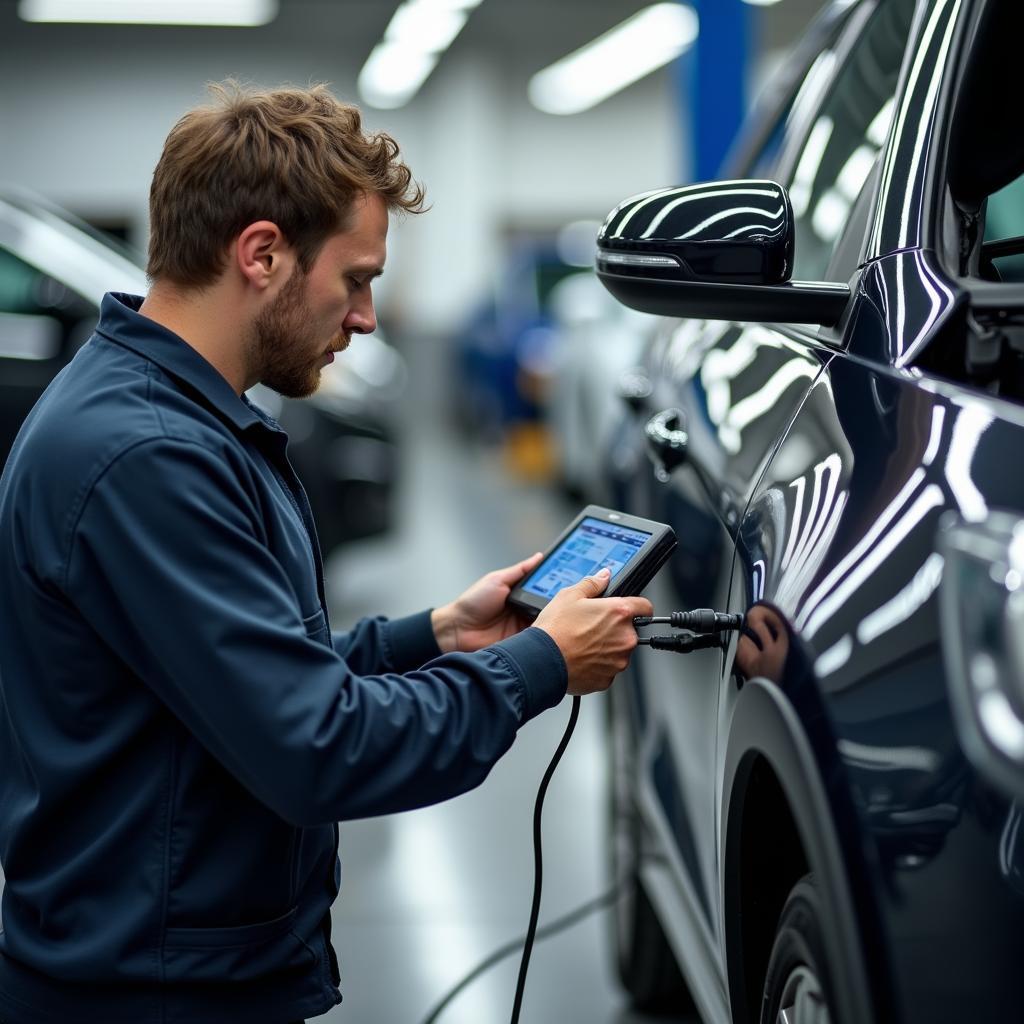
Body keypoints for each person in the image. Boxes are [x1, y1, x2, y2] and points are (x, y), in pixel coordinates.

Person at [0, 82, 651, 1024]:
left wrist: (432, 637)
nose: (368, 317)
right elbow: (318, 750)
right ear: (262, 254)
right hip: (150, 997)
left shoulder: (177, 424)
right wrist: (539, 664)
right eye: (356, 278)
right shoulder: (148, 456)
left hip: (167, 968)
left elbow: (233, 687)